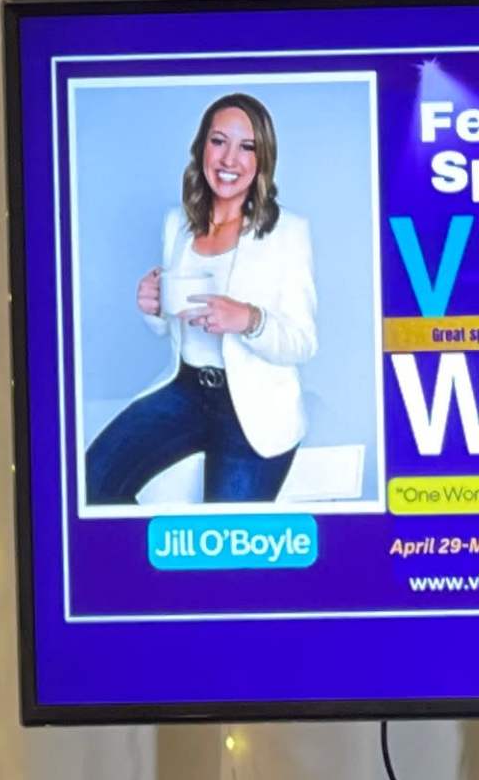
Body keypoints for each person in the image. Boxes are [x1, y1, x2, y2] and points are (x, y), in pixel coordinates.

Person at [80, 89, 322, 507]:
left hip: (254, 406)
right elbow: (170, 326)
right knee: (93, 480)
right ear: (201, 148)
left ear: (262, 160)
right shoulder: (177, 224)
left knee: (226, 546)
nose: (229, 160)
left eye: (247, 147)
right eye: (218, 141)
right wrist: (152, 306)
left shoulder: (289, 232)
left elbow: (304, 341)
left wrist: (249, 319)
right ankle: (139, 574)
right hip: (186, 391)